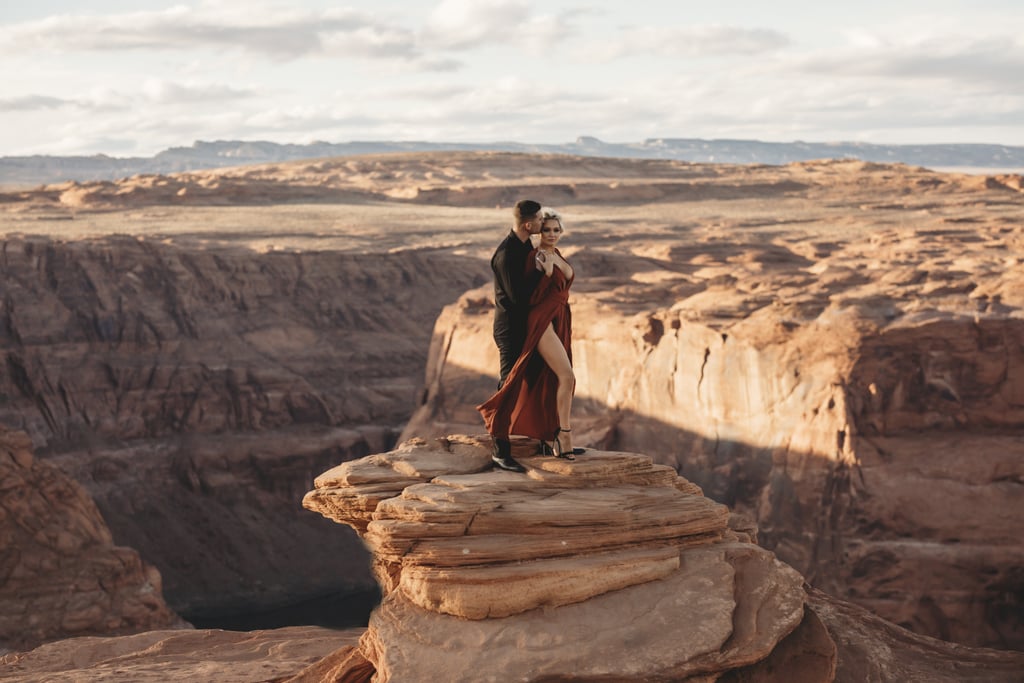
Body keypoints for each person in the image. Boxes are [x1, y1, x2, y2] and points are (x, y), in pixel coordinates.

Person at [478, 208, 584, 470]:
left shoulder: (554, 253)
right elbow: (526, 298)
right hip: (541, 322)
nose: (549, 232)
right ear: (531, 226)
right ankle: (558, 436)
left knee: (547, 377)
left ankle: (550, 439)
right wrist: (545, 274)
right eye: (544, 227)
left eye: (555, 229)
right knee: (561, 377)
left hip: (558, 319)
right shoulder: (532, 257)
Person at [487, 199, 544, 471]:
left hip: (525, 327)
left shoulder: (524, 246)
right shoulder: (507, 254)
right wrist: (542, 274)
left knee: (540, 378)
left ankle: (544, 439)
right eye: (541, 220)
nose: (544, 224)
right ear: (528, 224)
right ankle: (499, 451)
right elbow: (518, 298)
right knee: (508, 388)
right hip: (510, 330)